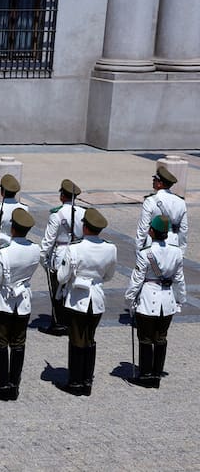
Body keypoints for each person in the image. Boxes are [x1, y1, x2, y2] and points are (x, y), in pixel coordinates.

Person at [56, 208, 117, 396]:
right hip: (96, 298)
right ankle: (87, 381)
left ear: (85, 227)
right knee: (90, 339)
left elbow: (61, 276)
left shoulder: (74, 248)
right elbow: (109, 275)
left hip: (77, 300)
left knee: (76, 340)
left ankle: (75, 382)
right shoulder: (110, 248)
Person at [0, 208, 39, 401]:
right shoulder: (35, 248)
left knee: (1, 343)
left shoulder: (3, 252)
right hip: (22, 303)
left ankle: (2, 384)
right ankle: (14, 384)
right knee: (19, 343)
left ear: (12, 228)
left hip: (2, 303)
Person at [124, 215, 185, 389]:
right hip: (167, 300)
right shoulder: (176, 251)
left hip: (148, 299)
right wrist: (180, 299)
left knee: (145, 338)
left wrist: (129, 299)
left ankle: (145, 375)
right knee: (161, 338)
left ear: (152, 231)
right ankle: (157, 372)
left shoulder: (146, 253)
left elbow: (137, 280)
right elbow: (179, 279)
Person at [39, 179, 86, 336]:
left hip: (60, 254)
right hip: (77, 252)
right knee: (72, 289)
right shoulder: (83, 213)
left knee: (57, 289)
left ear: (62, 196)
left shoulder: (56, 215)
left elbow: (48, 240)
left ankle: (58, 322)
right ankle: (70, 321)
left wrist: (43, 258)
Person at [135, 166, 188, 255]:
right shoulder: (181, 202)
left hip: (153, 244)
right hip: (173, 244)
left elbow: (143, 228)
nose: (153, 181)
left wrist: (138, 249)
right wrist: (181, 251)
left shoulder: (150, 201)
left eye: (155, 179)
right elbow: (183, 229)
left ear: (160, 183)